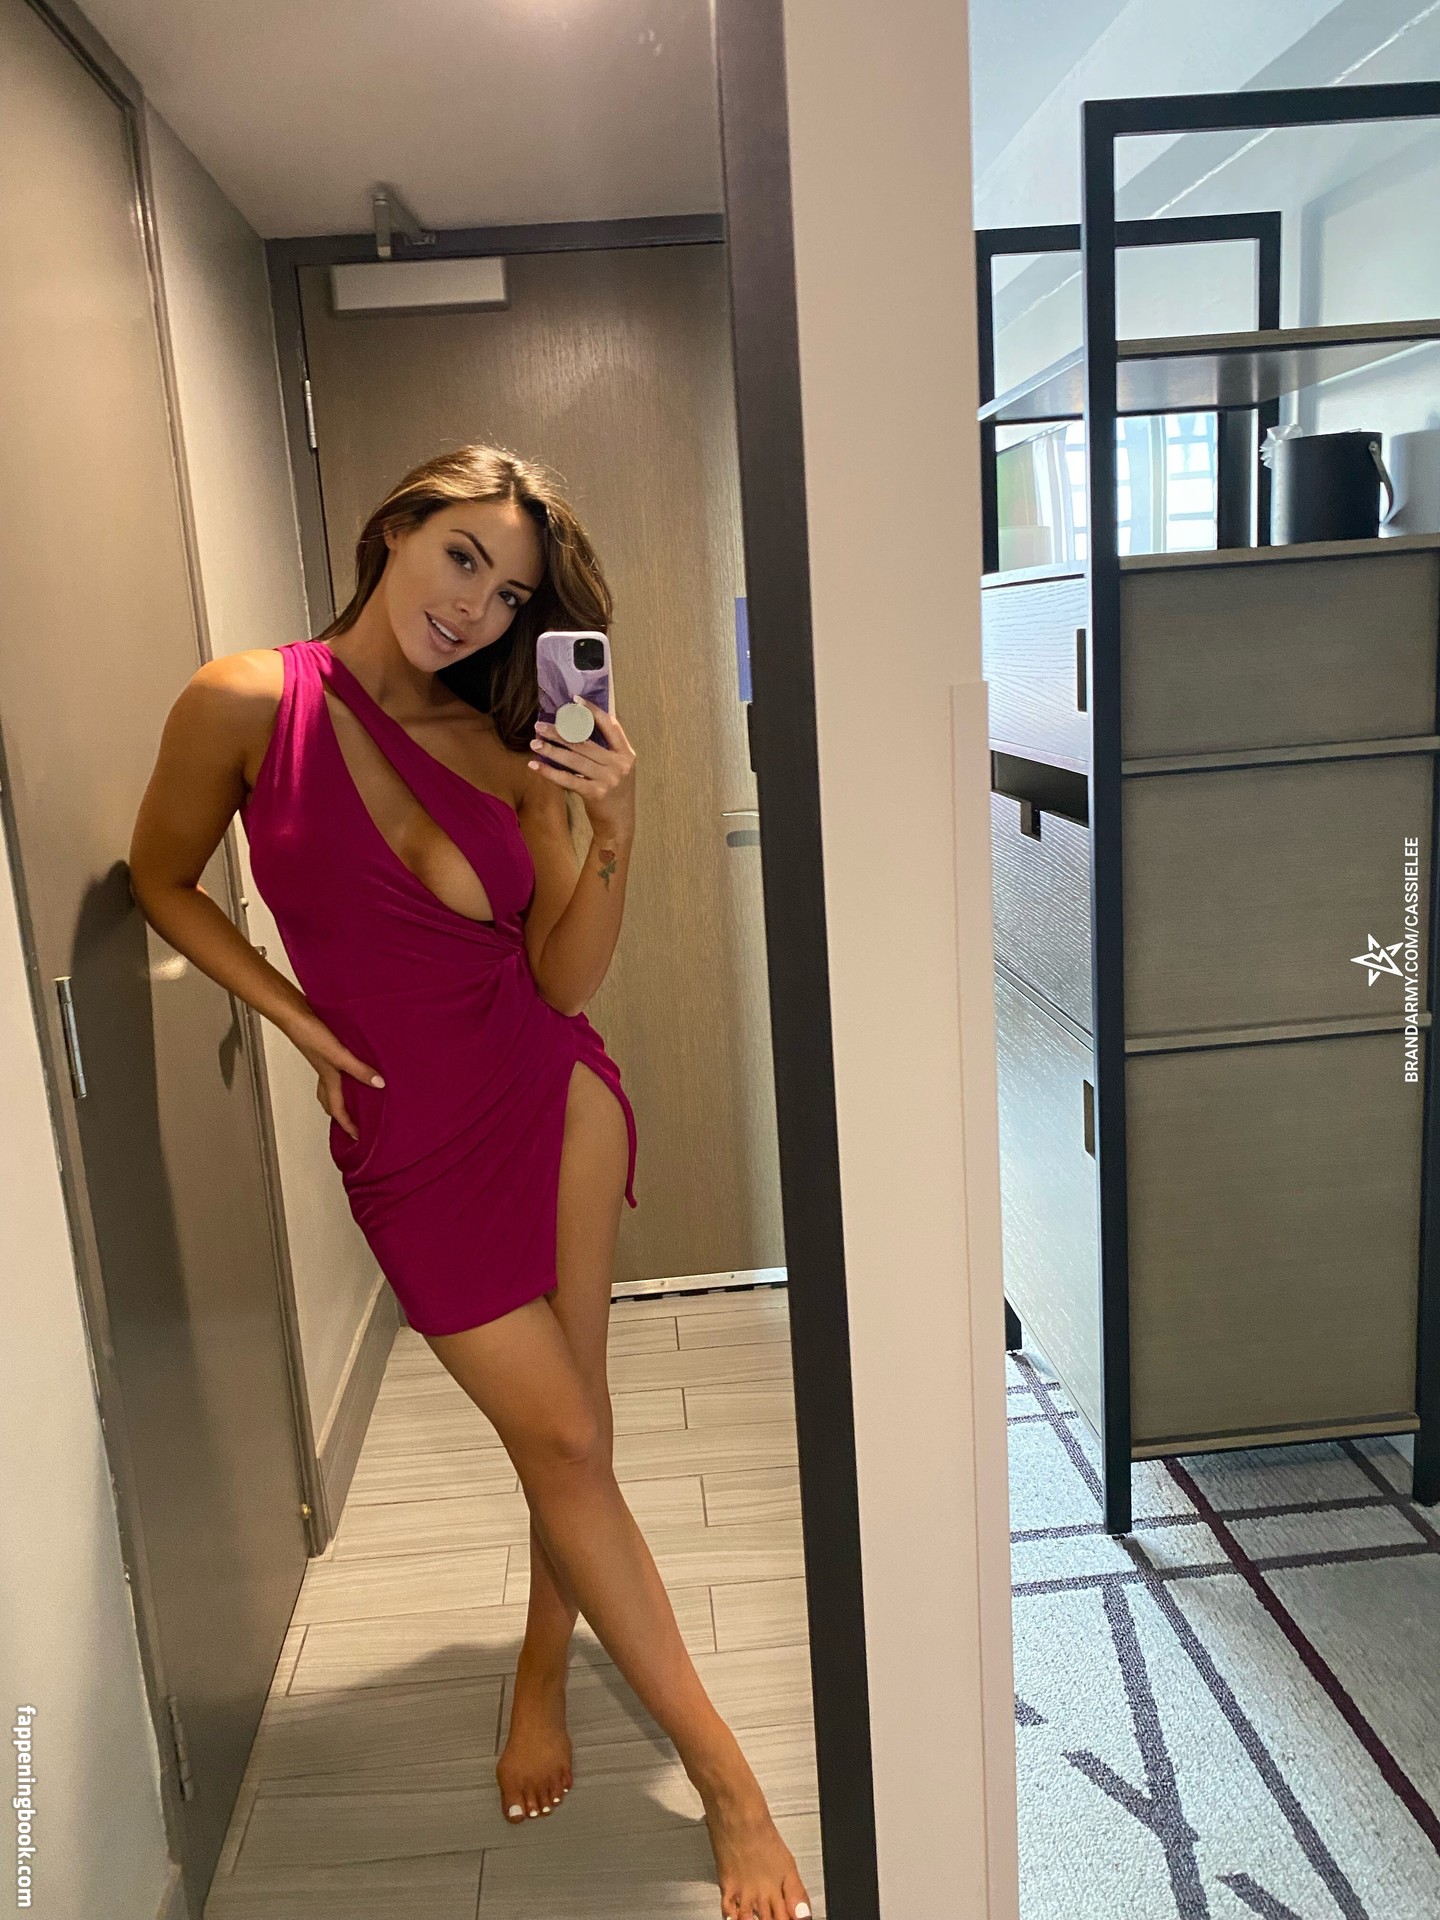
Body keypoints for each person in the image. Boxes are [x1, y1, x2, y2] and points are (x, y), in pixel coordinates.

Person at [127, 443, 811, 1920]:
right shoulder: (245, 702)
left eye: (509, 596)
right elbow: (161, 878)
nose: (478, 608)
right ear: (396, 529)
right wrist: (296, 1019)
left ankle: (631, 1720)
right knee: (562, 1437)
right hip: (407, 1144)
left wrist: (616, 827)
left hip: (552, 1094)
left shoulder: (516, 750)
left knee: (574, 1430)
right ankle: (681, 1755)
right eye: (462, 560)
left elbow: (563, 980)